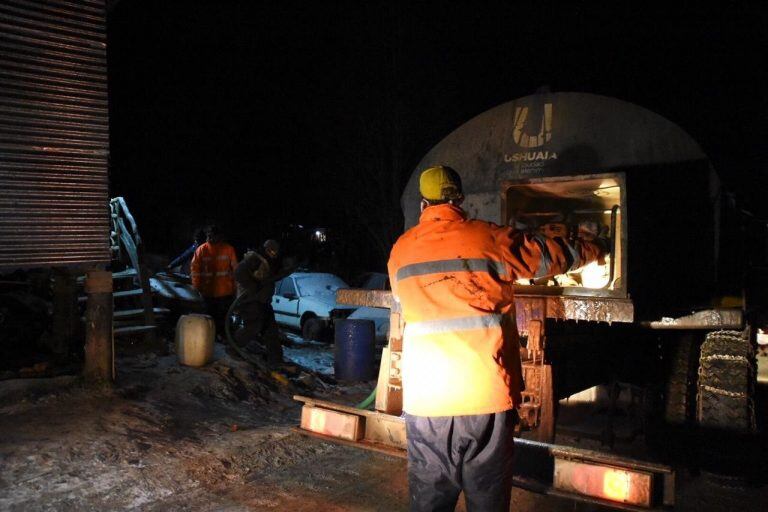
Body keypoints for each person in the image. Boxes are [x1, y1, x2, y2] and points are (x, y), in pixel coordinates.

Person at [387, 166, 607, 511]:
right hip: (484, 397)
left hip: (427, 400)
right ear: (459, 200)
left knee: (429, 501)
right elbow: (549, 257)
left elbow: (403, 299)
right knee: (487, 499)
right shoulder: (489, 239)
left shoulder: (400, 250)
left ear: (423, 204)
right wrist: (593, 249)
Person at [233, 239, 288, 367]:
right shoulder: (255, 258)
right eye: (271, 251)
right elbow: (239, 272)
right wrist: (252, 287)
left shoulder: (269, 262)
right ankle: (234, 345)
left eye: (275, 252)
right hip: (250, 302)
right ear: (266, 249)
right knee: (253, 327)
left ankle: (276, 360)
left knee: (271, 330)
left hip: (262, 301)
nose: (273, 254)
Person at [190, 224, 238, 338]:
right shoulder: (201, 250)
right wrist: (197, 287)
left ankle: (221, 337)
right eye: (208, 235)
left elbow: (236, 270)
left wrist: (235, 288)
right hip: (209, 292)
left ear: (219, 236)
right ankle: (213, 338)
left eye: (212, 235)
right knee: (211, 317)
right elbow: (195, 270)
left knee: (222, 318)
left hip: (224, 293)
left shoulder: (228, 249)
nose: (210, 238)